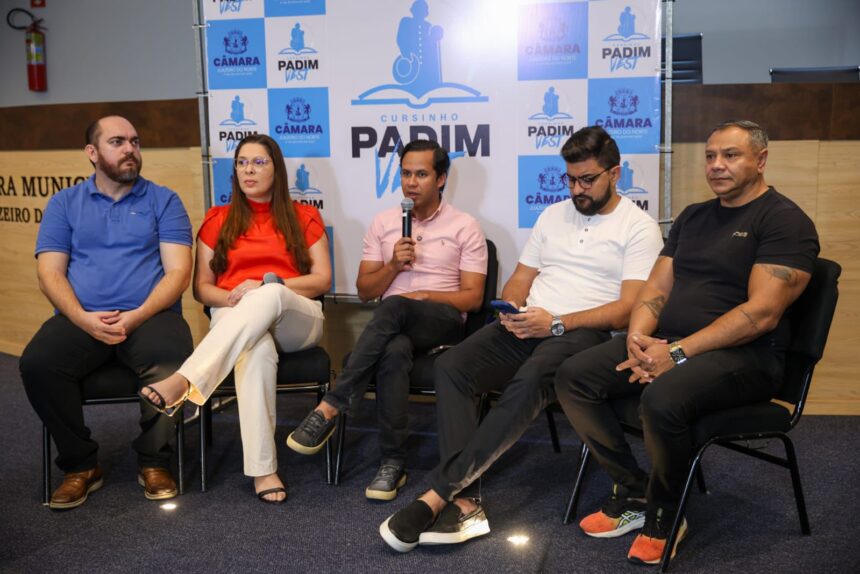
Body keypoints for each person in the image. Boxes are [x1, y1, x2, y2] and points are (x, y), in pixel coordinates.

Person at [379, 126, 664, 552]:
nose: (577, 189)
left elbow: (628, 308)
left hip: (587, 333)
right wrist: (511, 310)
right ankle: (466, 501)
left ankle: (439, 494)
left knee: (530, 380)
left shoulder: (639, 227)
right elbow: (519, 279)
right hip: (531, 323)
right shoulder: (552, 216)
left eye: (587, 179)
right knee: (452, 366)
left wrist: (557, 323)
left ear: (615, 173)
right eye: (571, 179)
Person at [554, 120, 819, 566]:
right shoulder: (693, 216)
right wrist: (638, 339)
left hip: (746, 358)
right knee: (573, 376)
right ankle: (635, 490)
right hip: (669, 344)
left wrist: (676, 354)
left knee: (662, 397)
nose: (716, 165)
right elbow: (656, 288)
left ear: (761, 160)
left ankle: (665, 514)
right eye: (711, 156)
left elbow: (761, 314)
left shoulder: (785, 222)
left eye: (730, 155)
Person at [287, 139, 488, 501]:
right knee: (393, 350)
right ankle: (393, 462)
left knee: (394, 306)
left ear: (441, 178)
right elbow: (365, 291)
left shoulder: (465, 226)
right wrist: (394, 265)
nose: (411, 182)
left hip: (442, 321)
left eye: (421, 174)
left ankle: (332, 404)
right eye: (406, 173)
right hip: (394, 326)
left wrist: (423, 296)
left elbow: (473, 298)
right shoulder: (384, 223)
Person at [140, 134, 331, 504]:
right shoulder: (218, 219)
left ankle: (184, 380)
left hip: (296, 317)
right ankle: (263, 470)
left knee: (270, 291)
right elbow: (202, 289)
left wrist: (264, 286)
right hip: (236, 314)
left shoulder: (305, 216)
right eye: (242, 162)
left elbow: (322, 280)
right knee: (256, 351)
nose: (248, 170)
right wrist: (237, 298)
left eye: (259, 162)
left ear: (277, 169)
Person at [19, 115, 194, 510]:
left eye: (135, 141)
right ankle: (80, 464)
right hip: (82, 317)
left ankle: (154, 460)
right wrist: (83, 318)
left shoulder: (164, 200)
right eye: (118, 142)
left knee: (172, 362)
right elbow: (49, 273)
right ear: (92, 152)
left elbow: (179, 273)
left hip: (150, 315)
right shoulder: (64, 203)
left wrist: (136, 316)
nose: (130, 149)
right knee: (38, 364)